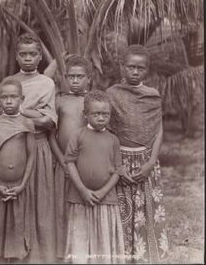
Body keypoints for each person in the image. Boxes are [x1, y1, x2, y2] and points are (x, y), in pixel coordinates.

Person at [106, 45, 169, 262]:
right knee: (121, 211)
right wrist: (117, 165)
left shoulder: (152, 95)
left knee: (145, 210)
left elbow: (158, 129)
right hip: (120, 160)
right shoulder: (112, 94)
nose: (135, 72)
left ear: (147, 70)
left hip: (145, 160)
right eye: (130, 67)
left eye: (140, 68)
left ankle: (145, 255)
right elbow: (107, 131)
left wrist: (151, 161)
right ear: (122, 67)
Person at [7, 33, 58, 262]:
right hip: (13, 146)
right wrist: (33, 113)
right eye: (23, 54)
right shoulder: (9, 83)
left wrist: (20, 113)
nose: (28, 58)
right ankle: (16, 254)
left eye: (33, 54)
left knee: (40, 201)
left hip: (38, 147)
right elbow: (4, 117)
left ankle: (40, 257)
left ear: (40, 58)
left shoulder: (47, 83)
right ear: (16, 56)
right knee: (16, 199)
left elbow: (48, 121)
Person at [64, 90, 125, 264]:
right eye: (96, 113)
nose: (101, 118)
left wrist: (103, 191)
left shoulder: (113, 140)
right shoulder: (78, 135)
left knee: (103, 237)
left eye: (105, 114)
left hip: (105, 200)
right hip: (80, 198)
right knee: (81, 238)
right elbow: (69, 163)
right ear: (85, 114)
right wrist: (83, 191)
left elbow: (118, 171)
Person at [0, 78, 36, 262]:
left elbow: (31, 156)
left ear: (22, 98)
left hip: (20, 187)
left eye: (13, 97)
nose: (9, 101)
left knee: (18, 225)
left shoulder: (27, 123)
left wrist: (23, 184)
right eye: (4, 97)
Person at [48, 55, 91, 260]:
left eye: (80, 76)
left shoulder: (92, 102)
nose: (75, 80)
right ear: (65, 77)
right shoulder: (59, 101)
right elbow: (52, 135)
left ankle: (80, 249)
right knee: (60, 205)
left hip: (84, 165)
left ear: (88, 78)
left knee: (80, 205)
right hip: (62, 163)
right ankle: (60, 251)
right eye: (71, 76)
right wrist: (62, 160)